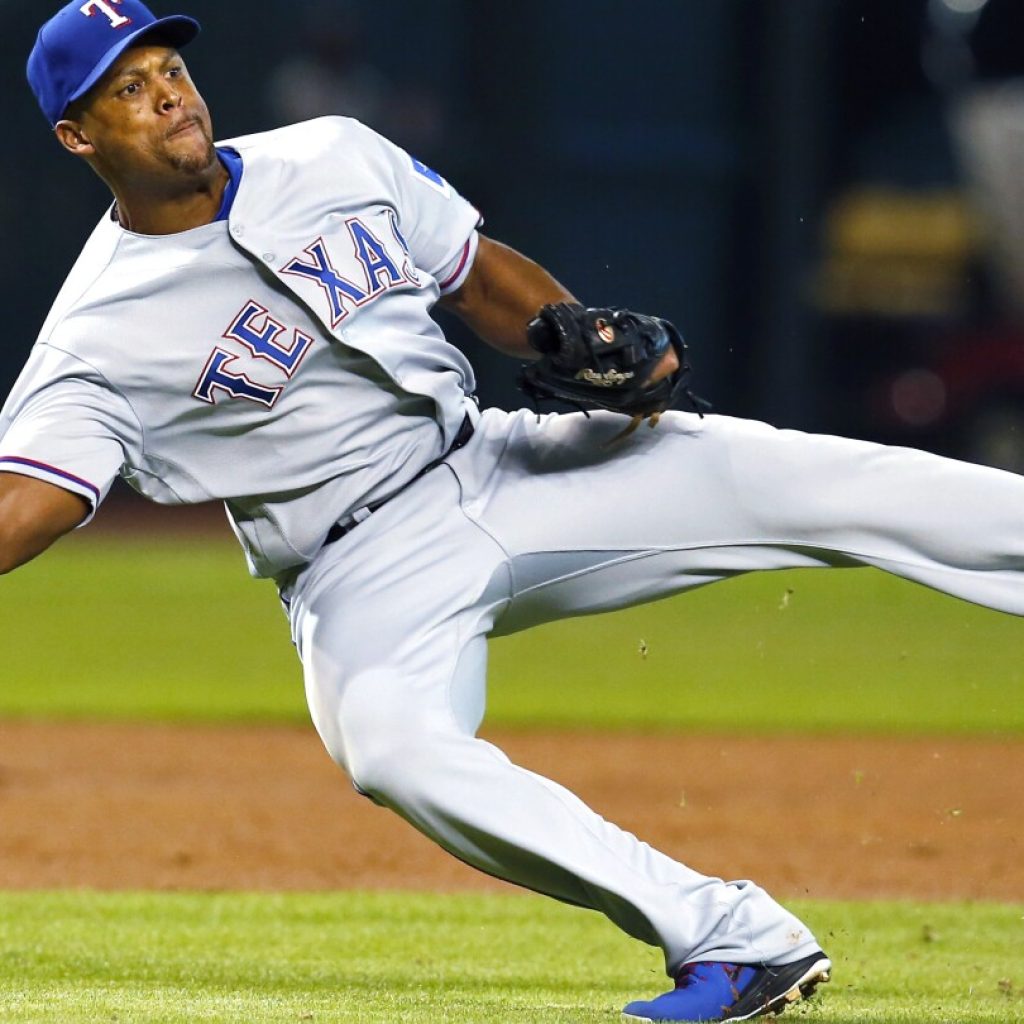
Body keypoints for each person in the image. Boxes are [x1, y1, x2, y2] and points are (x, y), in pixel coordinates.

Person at [5, 3, 1024, 1021]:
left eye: (166, 69)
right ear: (78, 136)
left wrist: (566, 332)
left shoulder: (331, 154)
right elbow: (31, 500)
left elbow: (479, 276)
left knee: (811, 480)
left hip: (500, 464)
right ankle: (732, 938)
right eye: (127, 91)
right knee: (394, 749)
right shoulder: (97, 335)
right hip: (358, 572)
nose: (168, 96)